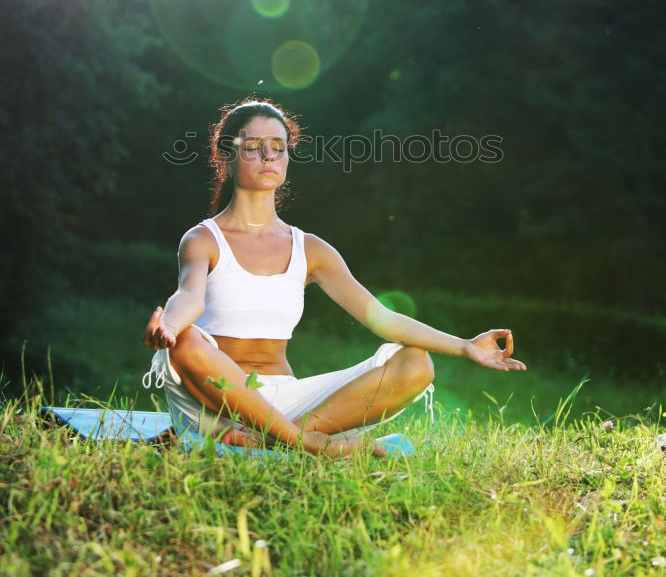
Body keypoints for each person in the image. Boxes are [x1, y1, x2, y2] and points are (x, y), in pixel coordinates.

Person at [142, 97, 526, 458]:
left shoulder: (311, 249)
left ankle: (275, 438)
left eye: (278, 146)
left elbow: (381, 318)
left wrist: (464, 346)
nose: (267, 155)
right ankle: (310, 444)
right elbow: (188, 296)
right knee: (187, 341)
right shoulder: (203, 238)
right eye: (253, 145)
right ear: (226, 157)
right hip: (215, 400)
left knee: (416, 364)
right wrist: (170, 326)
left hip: (284, 400)